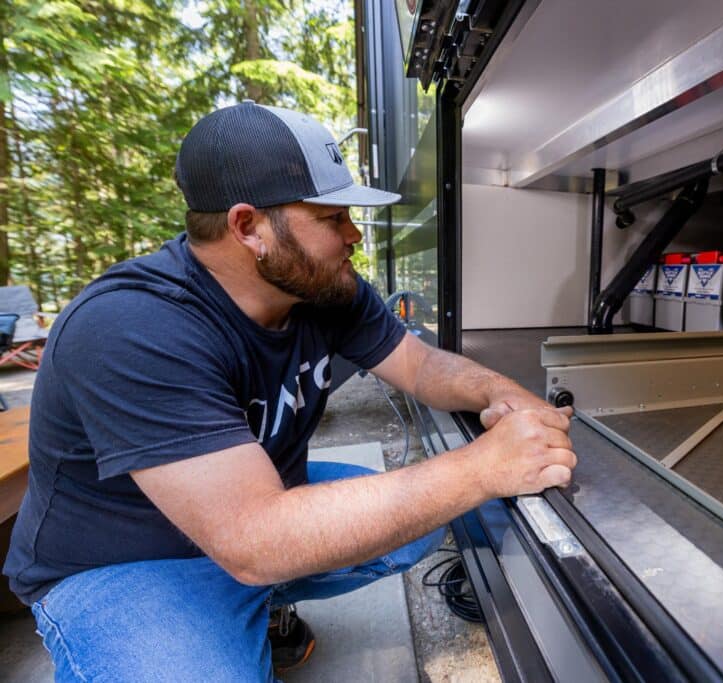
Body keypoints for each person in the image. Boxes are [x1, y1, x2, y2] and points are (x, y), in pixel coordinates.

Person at [2, 101, 576, 682]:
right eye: (332, 218)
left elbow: (422, 366)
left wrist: (504, 393)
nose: (354, 234)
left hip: (248, 513)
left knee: (424, 522)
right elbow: (256, 537)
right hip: (126, 562)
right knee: (433, 496)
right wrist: (481, 467)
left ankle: (257, 604)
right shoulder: (132, 326)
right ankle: (214, 616)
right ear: (248, 227)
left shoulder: (322, 290)